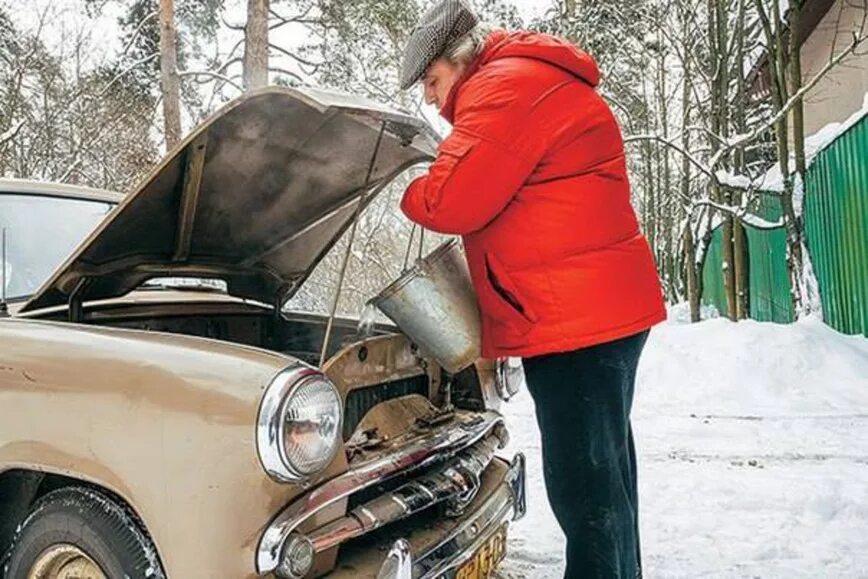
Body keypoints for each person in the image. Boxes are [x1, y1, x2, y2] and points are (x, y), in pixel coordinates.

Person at [397, 1, 667, 577]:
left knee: (584, 489)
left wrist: (410, 190)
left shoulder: (503, 89)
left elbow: (452, 200)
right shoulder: (522, 79)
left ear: (457, 59)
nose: (429, 98)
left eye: (432, 80)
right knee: (608, 479)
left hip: (574, 321)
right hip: (592, 312)